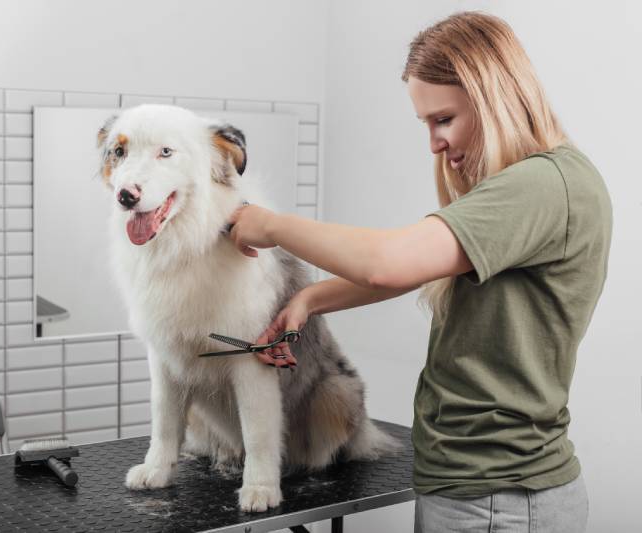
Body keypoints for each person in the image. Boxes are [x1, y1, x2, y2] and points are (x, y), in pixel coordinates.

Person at [225, 11, 611, 533]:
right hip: (475, 490)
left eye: (443, 119)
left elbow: (388, 263)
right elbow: (412, 269)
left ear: (494, 98)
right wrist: (308, 301)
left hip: (499, 500)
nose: (433, 143)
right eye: (425, 123)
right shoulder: (532, 186)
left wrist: (268, 225)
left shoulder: (543, 184)